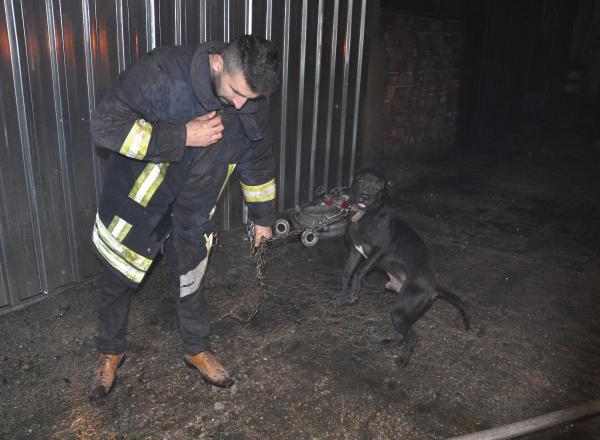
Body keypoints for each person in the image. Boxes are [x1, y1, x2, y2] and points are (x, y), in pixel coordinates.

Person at [88, 35, 280, 399]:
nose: (240, 104)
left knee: (192, 279)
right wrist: (181, 136)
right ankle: (109, 351)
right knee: (117, 278)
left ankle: (196, 348)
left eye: (250, 99)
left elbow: (258, 157)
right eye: (237, 92)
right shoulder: (163, 73)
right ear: (219, 62)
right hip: (141, 205)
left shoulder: (248, 100)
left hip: (193, 210)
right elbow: (105, 126)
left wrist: (263, 216)